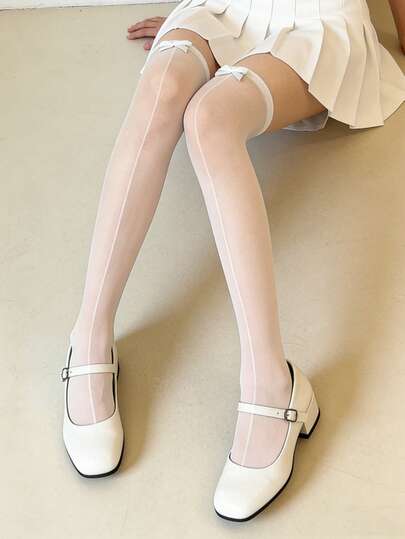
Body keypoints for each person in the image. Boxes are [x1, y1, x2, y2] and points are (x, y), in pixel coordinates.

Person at [60, 0, 405, 521]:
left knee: (209, 120)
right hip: (224, 7)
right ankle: (88, 335)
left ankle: (273, 384)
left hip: (317, 22)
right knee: (161, 89)